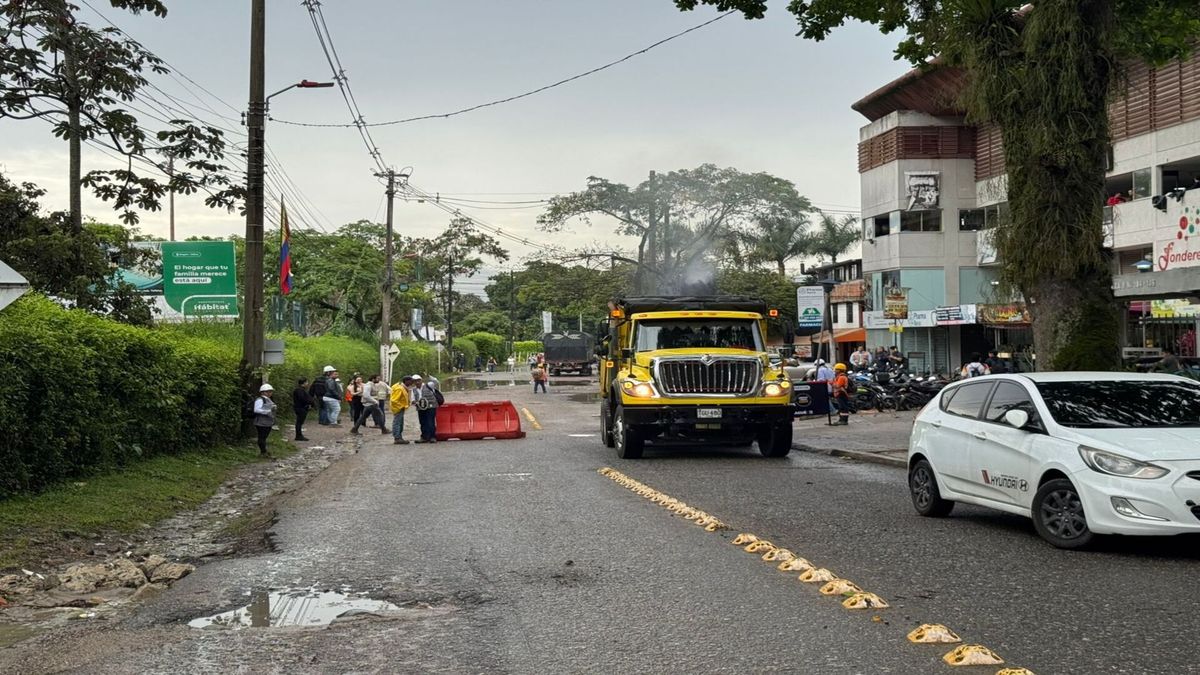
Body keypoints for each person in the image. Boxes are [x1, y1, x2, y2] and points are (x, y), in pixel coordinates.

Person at [414, 375, 442, 443]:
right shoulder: (413, 390)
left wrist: (429, 376)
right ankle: (424, 437)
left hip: (431, 406)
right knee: (422, 423)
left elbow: (436, 382)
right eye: (415, 381)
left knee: (431, 422)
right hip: (420, 408)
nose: (417, 382)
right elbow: (412, 400)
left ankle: (433, 437)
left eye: (418, 380)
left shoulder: (429, 385)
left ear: (421, 380)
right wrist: (416, 402)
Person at [252, 383, 277, 457]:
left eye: (270, 391)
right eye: (267, 391)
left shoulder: (268, 399)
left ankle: (264, 451)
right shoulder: (260, 399)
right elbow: (256, 410)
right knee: (262, 437)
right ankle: (263, 452)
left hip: (267, 422)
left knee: (264, 437)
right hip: (261, 422)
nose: (269, 393)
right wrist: (267, 412)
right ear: (262, 392)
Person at [390, 375, 413, 444]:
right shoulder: (400, 389)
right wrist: (401, 406)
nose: (412, 383)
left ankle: (399, 437)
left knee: (400, 423)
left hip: (399, 408)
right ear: (406, 381)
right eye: (411, 381)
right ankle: (397, 438)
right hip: (398, 408)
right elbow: (394, 400)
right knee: (397, 423)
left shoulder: (403, 387)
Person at [293, 377, 313, 441]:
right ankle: (298, 436)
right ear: (303, 383)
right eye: (307, 382)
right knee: (299, 422)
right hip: (301, 408)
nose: (308, 383)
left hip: (302, 407)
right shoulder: (299, 390)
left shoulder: (301, 390)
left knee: (300, 422)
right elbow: (303, 399)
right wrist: (309, 402)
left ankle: (299, 435)